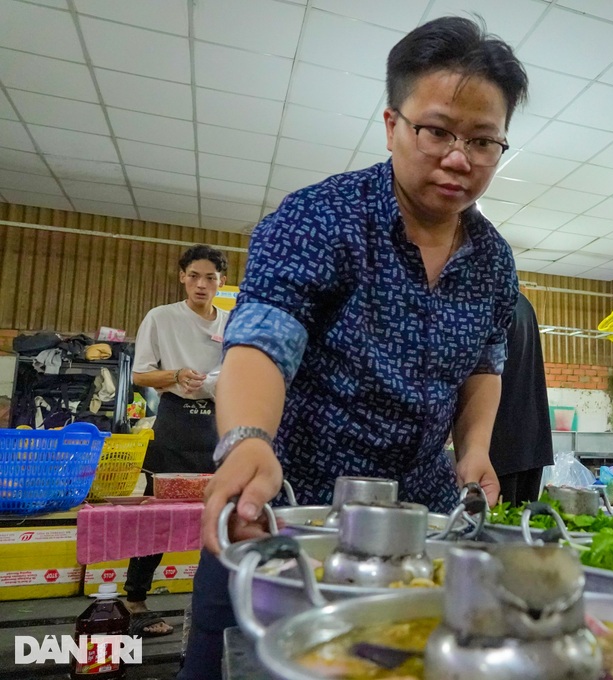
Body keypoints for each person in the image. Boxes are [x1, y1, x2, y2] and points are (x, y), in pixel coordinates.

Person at [180, 17, 528, 679]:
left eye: (484, 141)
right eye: (438, 131)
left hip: (418, 529)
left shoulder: (494, 261)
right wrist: (248, 435)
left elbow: (486, 362)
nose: (460, 157)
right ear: (393, 123)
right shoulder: (322, 217)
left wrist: (475, 448)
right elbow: (264, 337)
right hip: (288, 519)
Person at [127, 244, 228, 637]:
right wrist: (176, 375)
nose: (202, 284)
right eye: (194, 276)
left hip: (219, 427)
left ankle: (214, 602)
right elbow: (140, 375)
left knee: (220, 518)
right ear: (182, 277)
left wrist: (215, 382)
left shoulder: (232, 323)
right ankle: (136, 601)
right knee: (158, 519)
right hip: (174, 425)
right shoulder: (161, 317)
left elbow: (240, 372)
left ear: (221, 281)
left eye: (210, 277)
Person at [489, 293, 554, 505]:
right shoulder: (521, 302)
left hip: (500, 445)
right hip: (532, 442)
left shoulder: (492, 301)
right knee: (522, 530)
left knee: (495, 531)